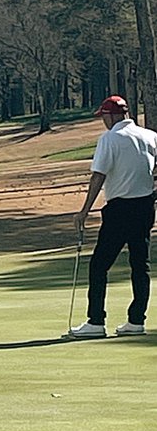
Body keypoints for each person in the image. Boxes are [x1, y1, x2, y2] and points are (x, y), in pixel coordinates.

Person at [70, 95, 157, 338]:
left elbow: (98, 176)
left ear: (111, 116)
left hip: (120, 210)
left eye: (104, 117)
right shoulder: (150, 136)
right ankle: (136, 321)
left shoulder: (110, 138)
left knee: (99, 266)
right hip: (145, 209)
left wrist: (84, 211)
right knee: (140, 266)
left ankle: (96, 322)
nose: (103, 122)